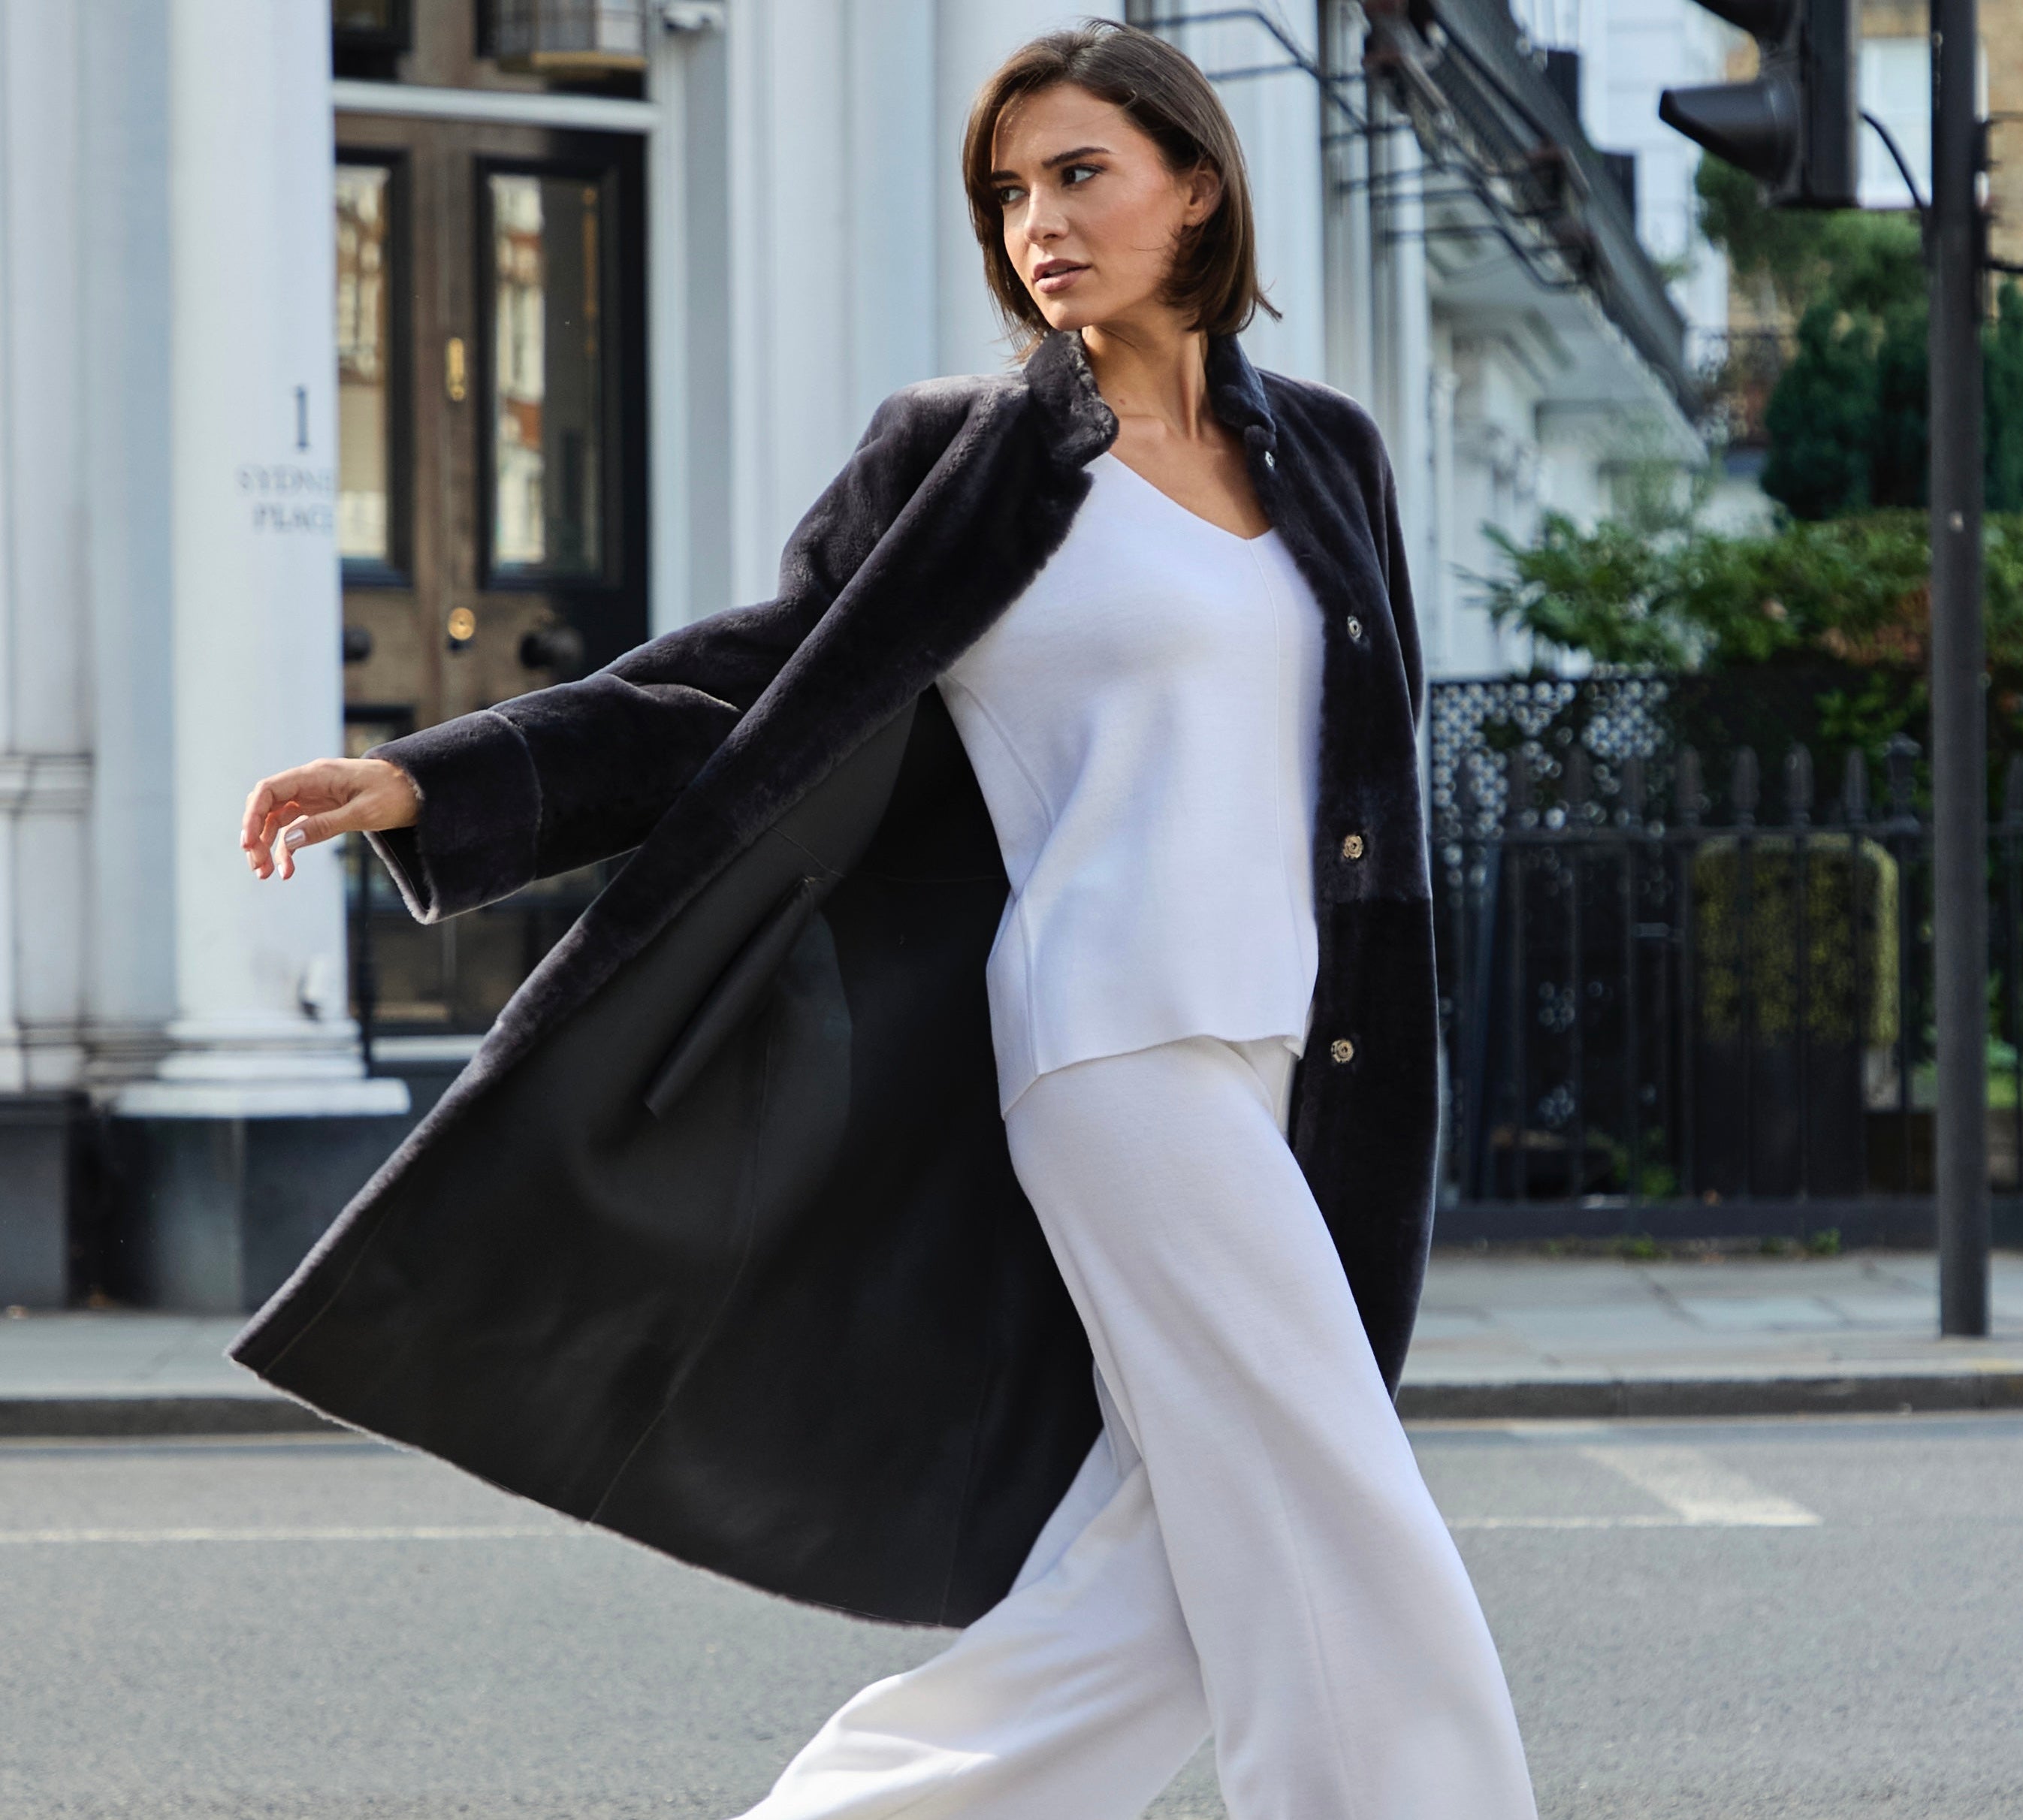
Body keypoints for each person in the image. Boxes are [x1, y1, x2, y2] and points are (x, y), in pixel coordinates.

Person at [238, 22, 1535, 1820]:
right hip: (1110, 1043)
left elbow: (1357, 797)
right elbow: (751, 686)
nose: (1037, 225)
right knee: (1339, 1497)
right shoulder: (975, 459)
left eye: (1079, 174)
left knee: (1165, 1571)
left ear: (1196, 185)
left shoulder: (1322, 454)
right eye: (1008, 193)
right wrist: (445, 780)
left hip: (1285, 1058)